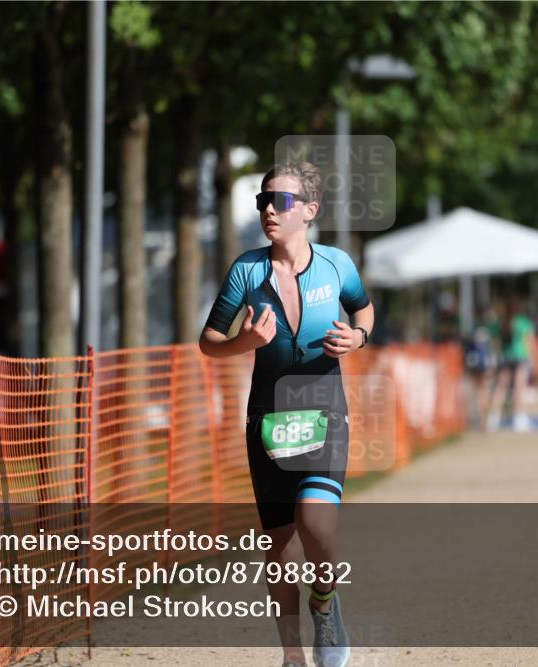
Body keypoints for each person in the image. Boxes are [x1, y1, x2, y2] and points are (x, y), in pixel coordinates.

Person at [199, 161, 373, 667]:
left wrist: (358, 336)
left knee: (315, 520)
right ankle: (293, 657)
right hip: (268, 420)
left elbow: (363, 309)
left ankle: (325, 601)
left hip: (324, 408)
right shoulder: (246, 271)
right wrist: (245, 342)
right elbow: (209, 342)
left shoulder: (338, 264)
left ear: (310, 211)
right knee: (277, 545)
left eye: (282, 201)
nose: (269, 209)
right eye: (263, 200)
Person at [485, 298, 535, 433]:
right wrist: (532, 359)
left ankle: (493, 419)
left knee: (500, 388)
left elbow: (495, 341)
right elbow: (529, 342)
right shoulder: (523, 322)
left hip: (505, 358)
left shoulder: (500, 322)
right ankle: (519, 419)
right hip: (520, 357)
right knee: (519, 388)